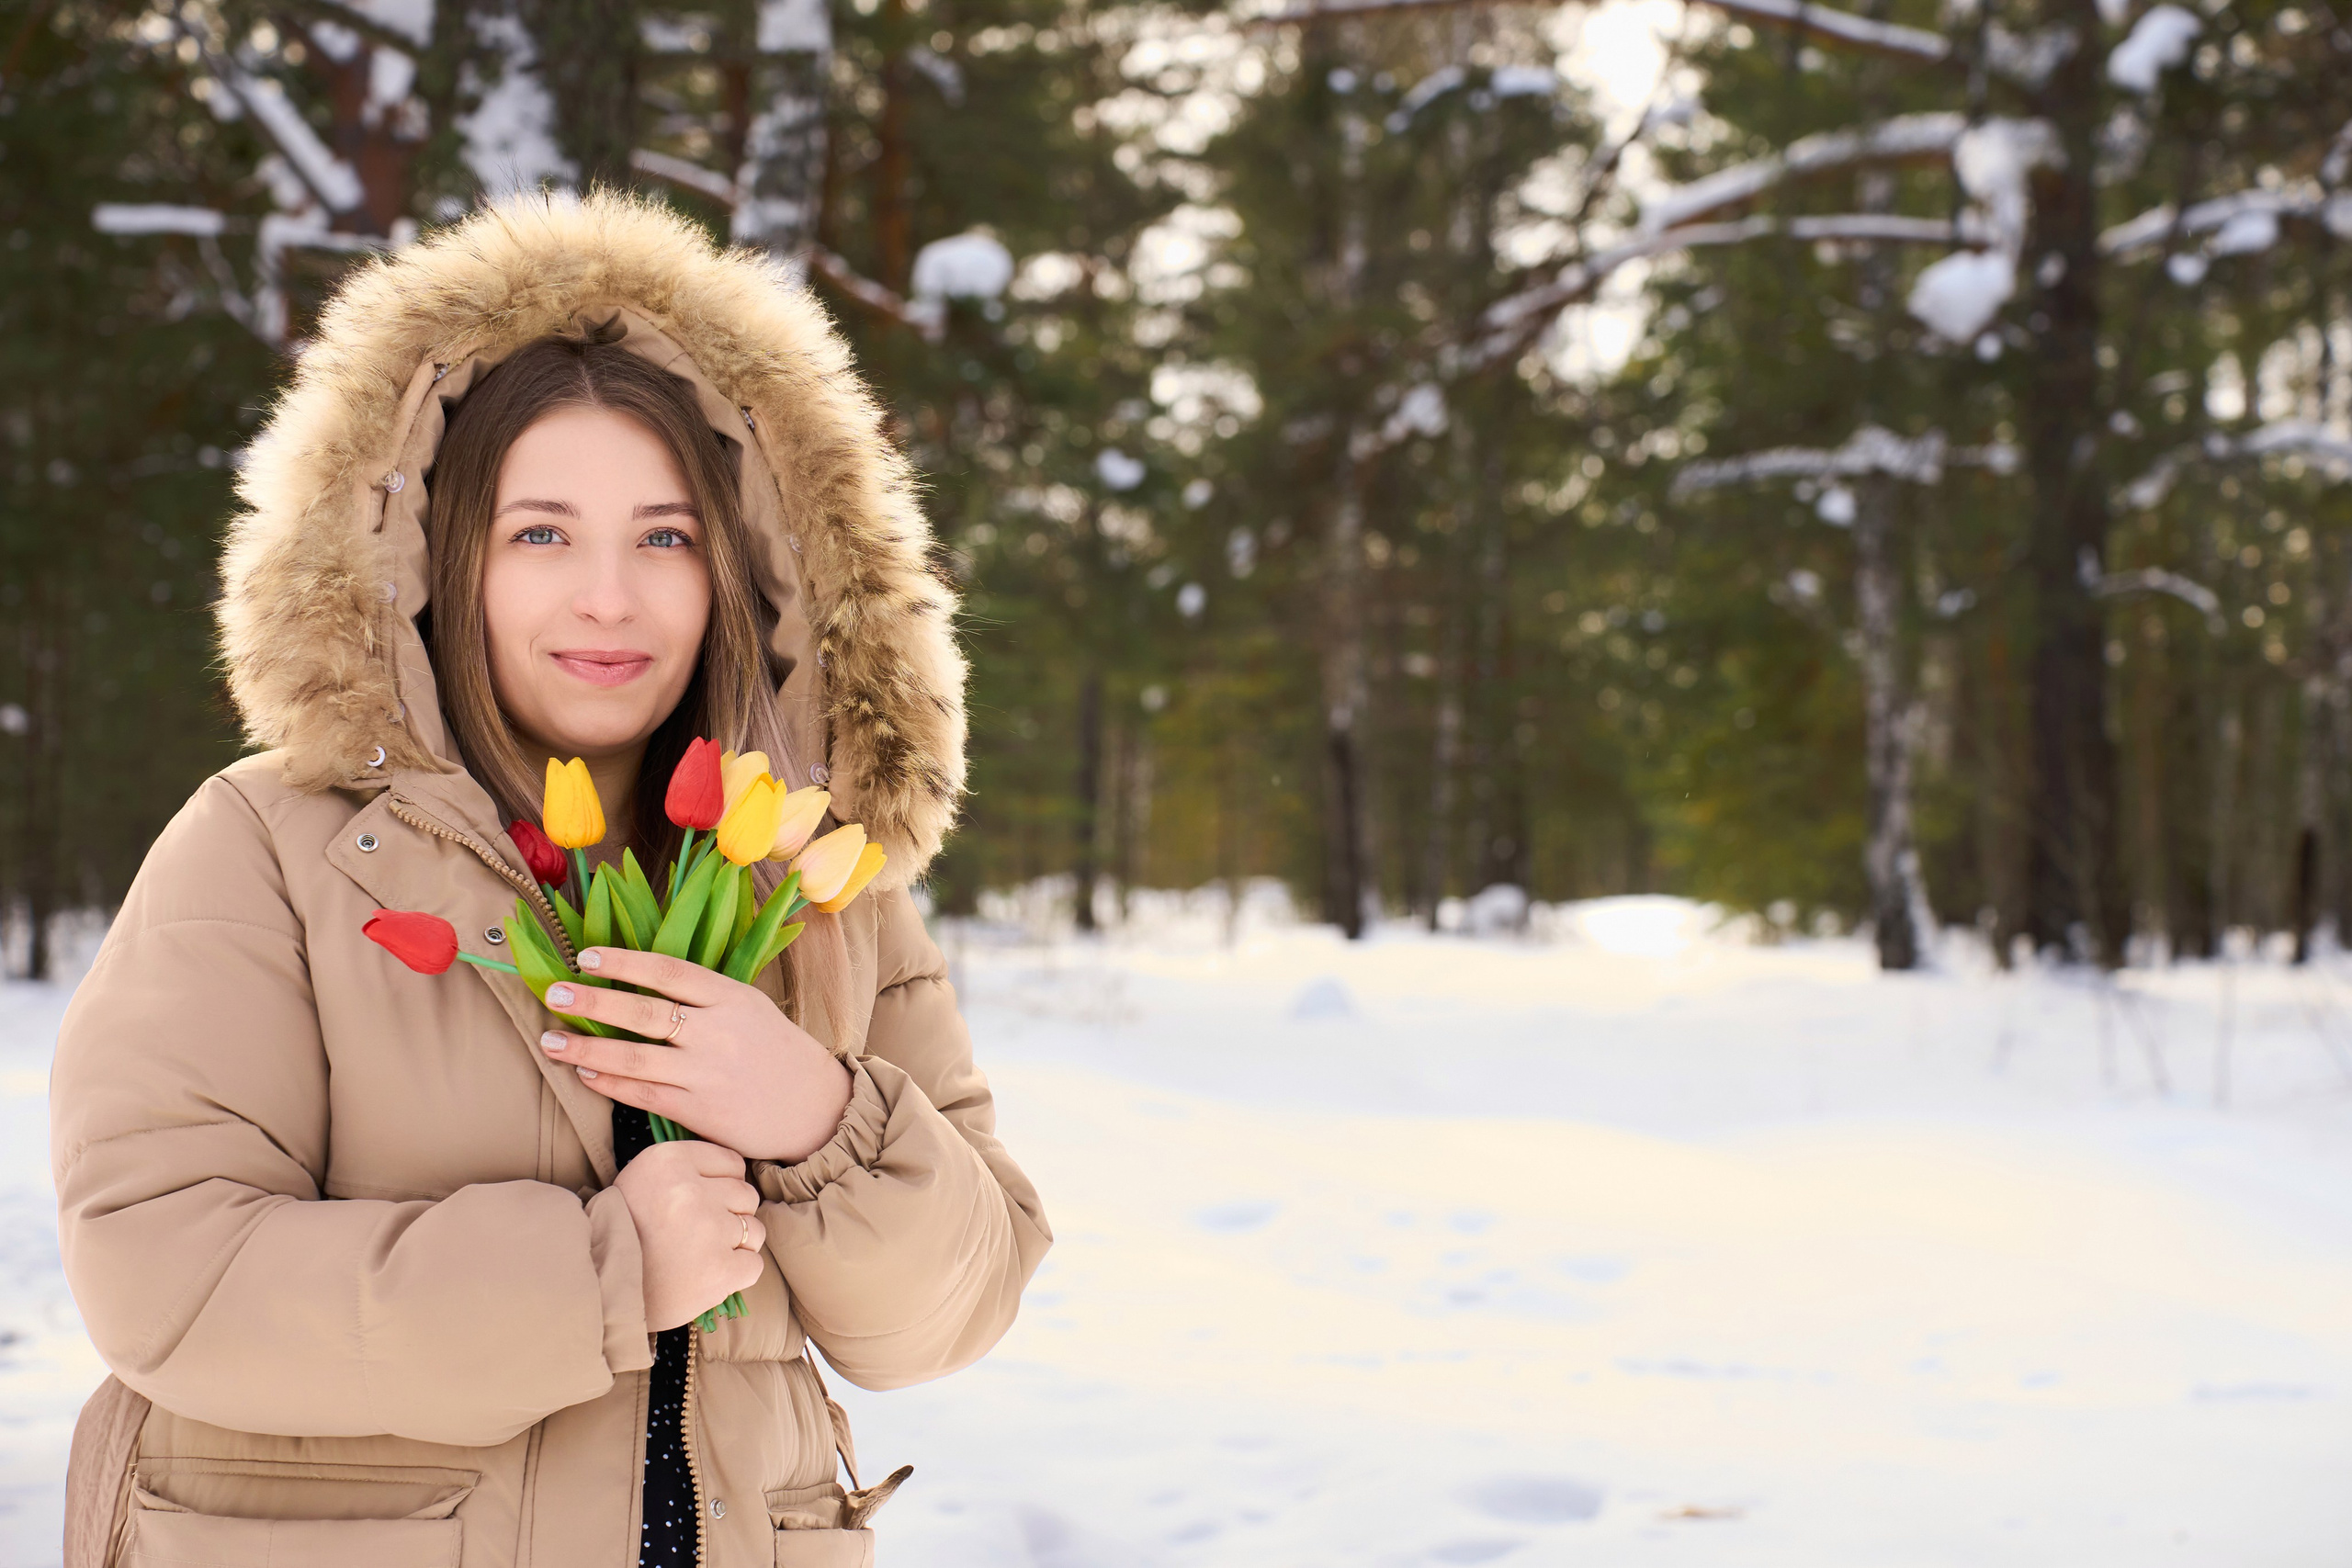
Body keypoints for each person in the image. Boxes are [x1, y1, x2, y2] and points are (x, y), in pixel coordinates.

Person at [49, 192, 1050, 1568]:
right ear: (435, 561)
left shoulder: (815, 877)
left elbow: (957, 1305)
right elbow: (162, 1278)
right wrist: (600, 1271)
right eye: (541, 535)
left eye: (665, 537)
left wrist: (814, 1114)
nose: (607, 599)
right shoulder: (272, 845)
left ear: (748, 575)